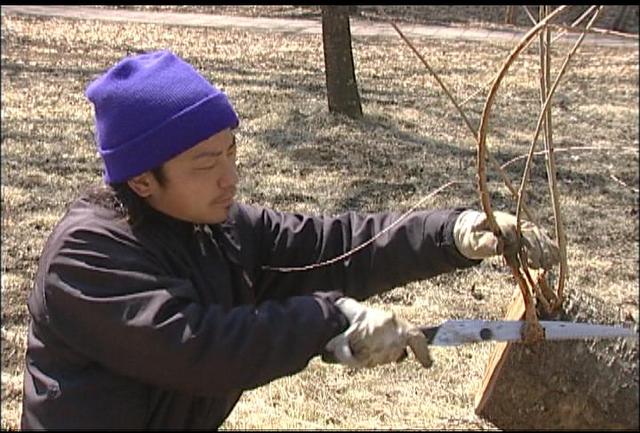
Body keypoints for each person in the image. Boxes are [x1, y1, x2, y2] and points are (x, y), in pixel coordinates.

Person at [20, 50, 560, 430]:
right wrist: (332, 320)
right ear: (141, 180)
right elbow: (199, 349)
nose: (229, 176)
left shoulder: (220, 228)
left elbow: (336, 245)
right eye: (206, 163)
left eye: (231, 151)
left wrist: (453, 233)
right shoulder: (87, 257)